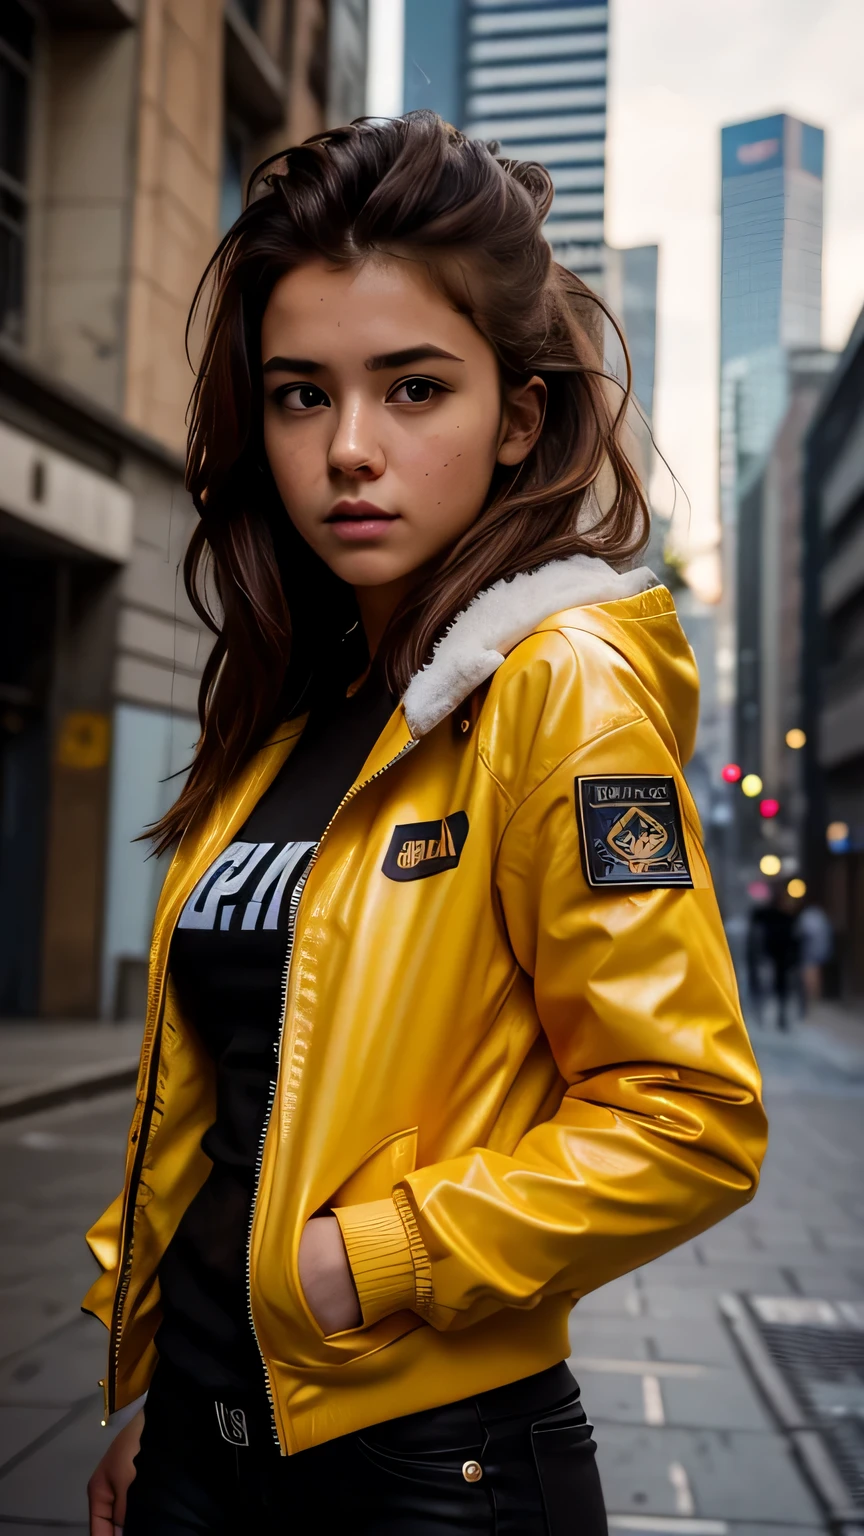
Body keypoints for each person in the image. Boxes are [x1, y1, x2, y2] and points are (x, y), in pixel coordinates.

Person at [84, 113, 767, 1535]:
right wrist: (157, 1388)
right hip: (204, 1446)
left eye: (412, 390)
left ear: (517, 417)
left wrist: (374, 1258)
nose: (347, 450)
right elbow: (233, 1110)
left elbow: (691, 1119)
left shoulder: (558, 690)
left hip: (422, 1472)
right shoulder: (302, 704)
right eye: (297, 395)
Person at [747, 888, 799, 1031]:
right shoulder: (769, 915)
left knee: (780, 989)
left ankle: (780, 1017)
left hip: (781, 959)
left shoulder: (788, 917)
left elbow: (794, 941)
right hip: (768, 957)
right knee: (767, 987)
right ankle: (764, 1016)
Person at [796, 901, 834, 1008]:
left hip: (810, 952)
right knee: (815, 973)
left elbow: (801, 932)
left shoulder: (808, 917)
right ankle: (815, 997)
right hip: (820, 951)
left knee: (810, 974)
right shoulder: (821, 917)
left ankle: (813, 998)